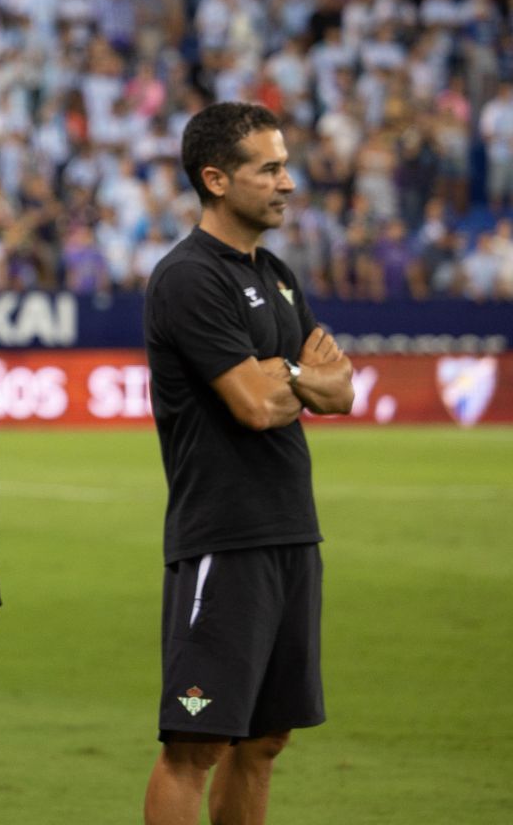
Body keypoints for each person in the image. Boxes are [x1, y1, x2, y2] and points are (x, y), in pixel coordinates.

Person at [141, 103, 354, 825]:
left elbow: (342, 388)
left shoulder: (279, 273)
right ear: (217, 179)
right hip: (223, 538)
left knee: (265, 739)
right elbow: (254, 406)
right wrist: (296, 379)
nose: (288, 182)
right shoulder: (188, 278)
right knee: (195, 743)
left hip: (293, 530)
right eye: (269, 168)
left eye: (285, 165)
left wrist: (281, 371)